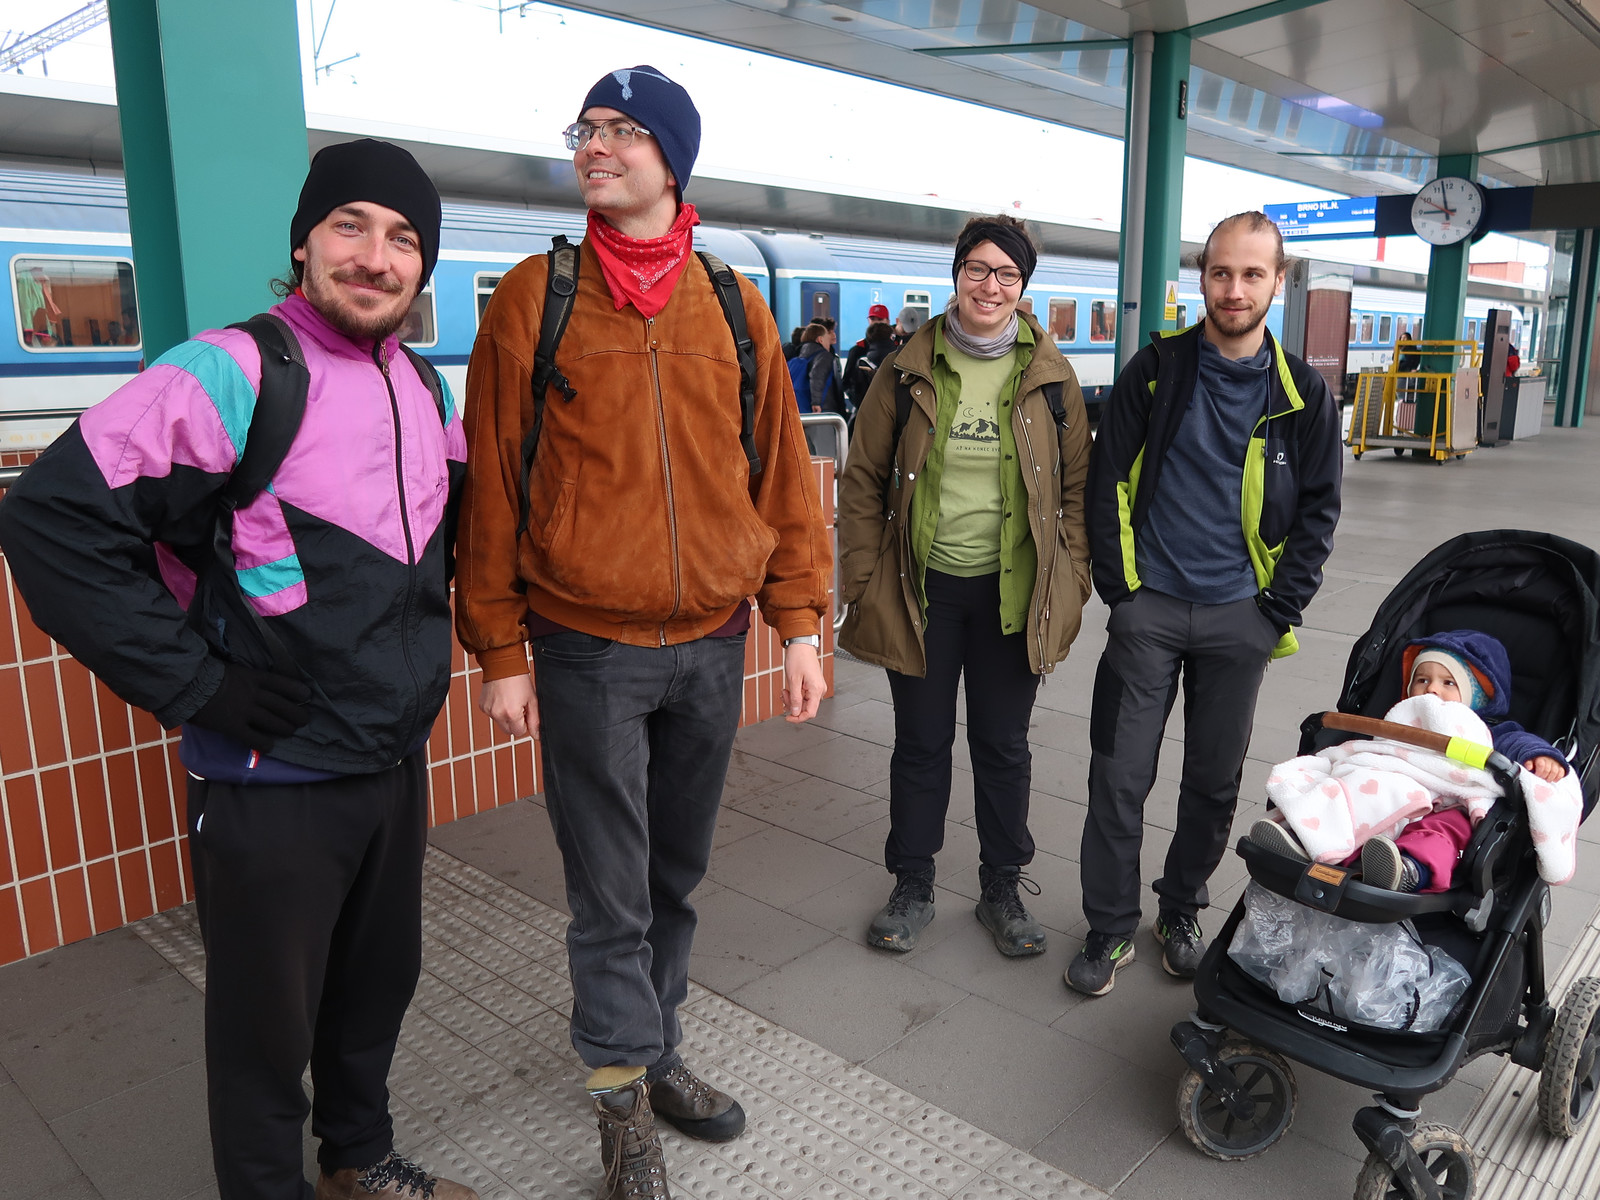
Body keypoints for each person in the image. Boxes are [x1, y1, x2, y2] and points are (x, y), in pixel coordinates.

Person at [0, 140, 475, 1199]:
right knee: (267, 1031)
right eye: (350, 225)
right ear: (303, 243)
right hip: (271, 773)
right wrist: (199, 687)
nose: (376, 256)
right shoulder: (232, 370)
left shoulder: (422, 385)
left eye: (404, 239)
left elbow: (445, 532)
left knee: (375, 989)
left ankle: (358, 1161)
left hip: (389, 758)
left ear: (423, 268)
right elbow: (51, 522)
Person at [456, 66, 832, 1200]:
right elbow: (493, 485)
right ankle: (621, 1099)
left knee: (675, 876)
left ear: (673, 158)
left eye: (622, 130)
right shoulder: (535, 298)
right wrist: (501, 652)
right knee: (610, 891)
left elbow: (780, 476)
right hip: (586, 648)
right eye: (587, 128)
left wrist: (798, 626)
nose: (595, 145)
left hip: (713, 643)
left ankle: (657, 1052)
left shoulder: (732, 303)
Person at [1068, 211, 1343, 997]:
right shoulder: (1156, 371)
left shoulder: (1303, 395)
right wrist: (1123, 596)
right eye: (1222, 272)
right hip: (1149, 612)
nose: (1235, 288)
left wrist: (1274, 611)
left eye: (1253, 274)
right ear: (1203, 278)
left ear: (1278, 282)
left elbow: (1319, 512)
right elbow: (1107, 484)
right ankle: (1109, 925)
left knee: (1214, 783)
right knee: (1118, 776)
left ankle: (1181, 910)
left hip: (1239, 619)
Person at [837, 213, 1092, 957]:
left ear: (1023, 287)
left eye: (1006, 274)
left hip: (1013, 594)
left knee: (1003, 745)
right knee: (920, 743)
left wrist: (1071, 578)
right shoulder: (905, 369)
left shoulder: (1052, 377)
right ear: (956, 276)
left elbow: (1077, 490)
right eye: (977, 269)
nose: (990, 285)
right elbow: (862, 480)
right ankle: (912, 883)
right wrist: (862, 579)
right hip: (922, 590)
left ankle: (1001, 887)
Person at [1251, 630, 1575, 891]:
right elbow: (1378, 750)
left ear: (1476, 695)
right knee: (1348, 791)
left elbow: (1520, 743)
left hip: (1449, 803)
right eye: (1422, 680)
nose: (1431, 689)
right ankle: (1305, 839)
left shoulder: (1490, 730)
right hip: (1392, 786)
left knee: (1444, 832)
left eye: (1448, 683)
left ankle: (1409, 870)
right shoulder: (1402, 719)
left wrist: (1540, 757)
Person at [843, 318, 896, 414]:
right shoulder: (901, 358)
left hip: (869, 413)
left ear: (869, 339)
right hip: (896, 414)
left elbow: (854, 390)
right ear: (891, 337)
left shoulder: (862, 363)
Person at [790, 320, 842, 414]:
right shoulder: (824, 356)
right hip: (821, 409)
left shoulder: (798, 357)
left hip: (800, 408)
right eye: (827, 338)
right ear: (820, 339)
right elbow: (817, 376)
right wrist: (816, 403)